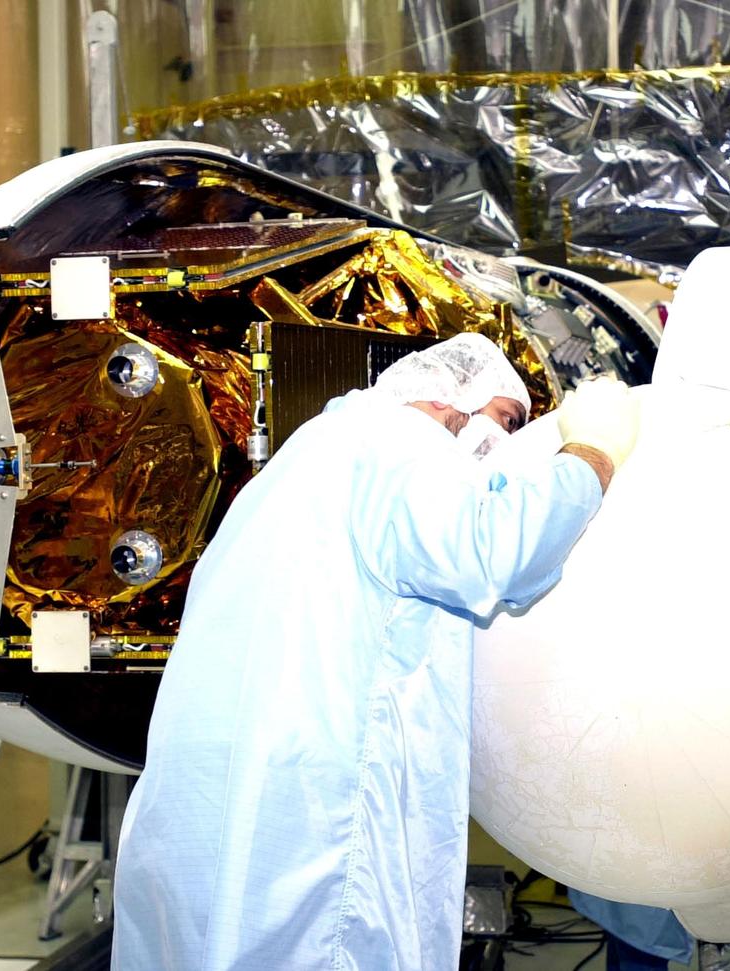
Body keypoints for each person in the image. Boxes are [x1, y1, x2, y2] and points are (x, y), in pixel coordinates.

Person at [112, 332, 639, 970]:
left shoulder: (312, 452)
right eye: (506, 420)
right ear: (447, 397)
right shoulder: (403, 444)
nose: (505, 443)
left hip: (211, 784)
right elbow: (489, 554)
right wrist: (591, 455)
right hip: (312, 792)